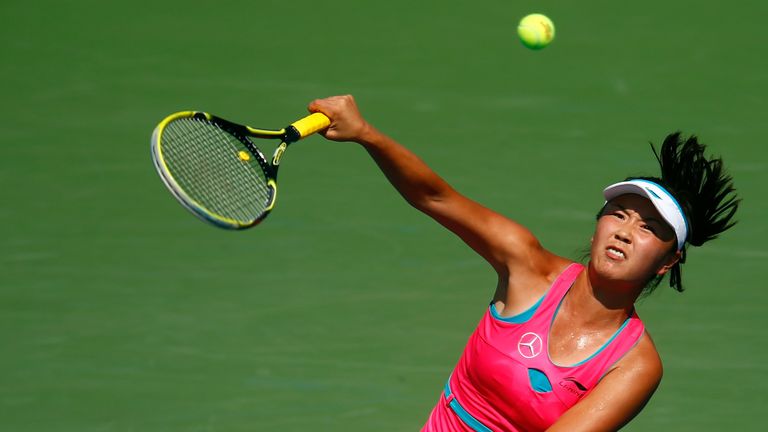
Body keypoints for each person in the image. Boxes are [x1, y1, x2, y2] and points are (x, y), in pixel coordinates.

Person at [307, 95, 740, 431]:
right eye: (619, 214)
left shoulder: (633, 366)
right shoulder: (527, 266)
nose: (625, 231)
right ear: (596, 228)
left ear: (668, 261)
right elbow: (435, 197)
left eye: (648, 228)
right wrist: (366, 133)